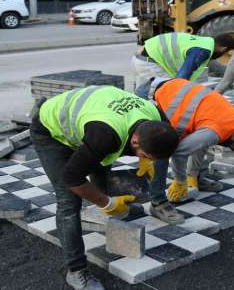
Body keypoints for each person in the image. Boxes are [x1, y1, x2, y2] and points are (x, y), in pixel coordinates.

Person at [29, 86, 179, 290]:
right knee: (68, 201)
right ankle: (76, 270)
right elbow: (72, 177)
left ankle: (110, 215)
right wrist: (106, 202)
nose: (145, 159)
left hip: (91, 121)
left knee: (101, 164)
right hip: (50, 130)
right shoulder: (106, 135)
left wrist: (148, 161)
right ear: (135, 140)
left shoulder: (157, 118)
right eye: (145, 155)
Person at [135, 78, 234, 222]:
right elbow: (179, 153)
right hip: (151, 96)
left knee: (193, 140)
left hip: (164, 88)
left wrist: (192, 175)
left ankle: (194, 177)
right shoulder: (217, 130)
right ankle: (158, 202)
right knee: (162, 147)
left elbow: (201, 142)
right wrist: (180, 181)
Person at [132, 32, 234, 88]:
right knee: (167, 90)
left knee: (144, 92)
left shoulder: (205, 41)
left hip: (143, 56)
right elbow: (181, 77)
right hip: (148, 62)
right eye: (225, 53)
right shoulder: (202, 51)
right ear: (223, 49)